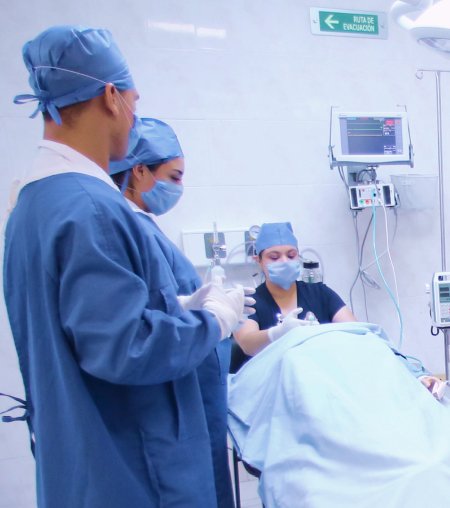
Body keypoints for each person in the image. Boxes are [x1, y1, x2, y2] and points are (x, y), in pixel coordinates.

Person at [4, 25, 246, 508]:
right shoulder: (91, 207)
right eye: (134, 102)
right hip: (136, 472)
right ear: (111, 97)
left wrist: (174, 307)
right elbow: (127, 348)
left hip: (85, 462)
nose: (134, 117)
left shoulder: (33, 204)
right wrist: (214, 321)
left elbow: (87, 325)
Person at [109, 117, 236, 508]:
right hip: (176, 399)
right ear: (139, 170)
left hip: (195, 391)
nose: (178, 188)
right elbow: (138, 325)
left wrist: (188, 304)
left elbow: (155, 302)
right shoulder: (129, 228)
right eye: (174, 177)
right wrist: (211, 316)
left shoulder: (144, 228)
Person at [234, 222, 357, 357]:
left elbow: (354, 331)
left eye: (291, 255)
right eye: (274, 257)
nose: (284, 261)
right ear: (259, 260)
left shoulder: (320, 293)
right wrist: (277, 333)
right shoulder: (250, 302)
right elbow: (247, 344)